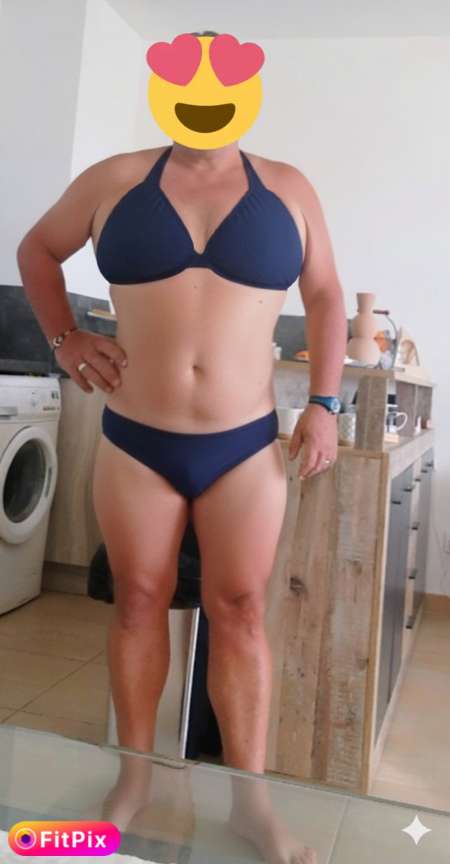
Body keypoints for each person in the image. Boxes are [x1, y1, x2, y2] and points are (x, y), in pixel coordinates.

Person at [17, 121, 347, 864]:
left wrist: (325, 404)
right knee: (138, 601)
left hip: (244, 442)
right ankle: (134, 781)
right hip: (138, 436)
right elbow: (36, 249)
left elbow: (325, 292)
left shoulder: (286, 187)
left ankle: (251, 805)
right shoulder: (114, 179)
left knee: (241, 609)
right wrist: (65, 338)